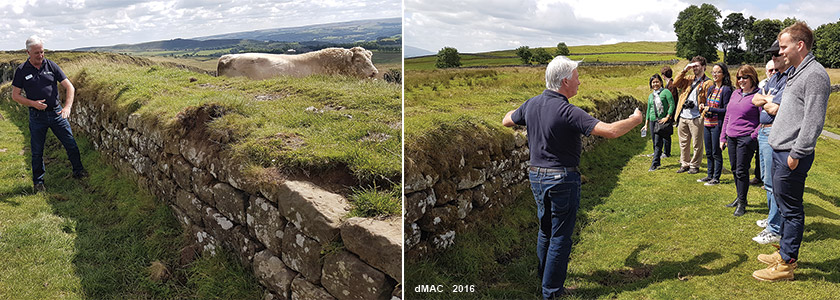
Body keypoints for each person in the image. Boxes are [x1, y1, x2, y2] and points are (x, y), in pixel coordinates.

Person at [502, 56, 643, 299]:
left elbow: (506, 120)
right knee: (560, 237)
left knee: (545, 230)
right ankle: (553, 292)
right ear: (565, 81)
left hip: (536, 177)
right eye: (577, 77)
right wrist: (635, 119)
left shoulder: (532, 104)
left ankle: (544, 279)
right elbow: (609, 131)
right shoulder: (568, 111)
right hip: (562, 180)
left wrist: (522, 110)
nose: (580, 81)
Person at [754, 22, 830, 282]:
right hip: (780, 149)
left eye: (784, 46)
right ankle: (784, 252)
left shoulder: (815, 75)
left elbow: (813, 120)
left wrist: (797, 153)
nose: (780, 51)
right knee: (785, 208)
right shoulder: (796, 72)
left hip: (791, 153)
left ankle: (786, 265)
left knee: (792, 210)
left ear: (800, 45)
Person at [11, 36, 88, 192]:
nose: (40, 56)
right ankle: (38, 183)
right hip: (36, 117)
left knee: (70, 144)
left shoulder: (51, 65)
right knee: (37, 151)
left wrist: (67, 107)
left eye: (42, 52)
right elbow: (15, 95)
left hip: (56, 114)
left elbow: (70, 87)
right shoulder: (21, 70)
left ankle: (78, 171)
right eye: (37, 53)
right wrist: (33, 104)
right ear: (28, 52)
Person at [750, 43, 790, 245]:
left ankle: (775, 227)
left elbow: (776, 108)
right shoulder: (776, 78)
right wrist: (768, 98)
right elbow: (756, 100)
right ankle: (772, 218)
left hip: (774, 129)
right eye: (771, 55)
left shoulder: (789, 78)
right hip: (763, 131)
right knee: (767, 180)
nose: (774, 58)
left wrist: (766, 99)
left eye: (777, 54)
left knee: (774, 182)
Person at [720, 65, 760, 216]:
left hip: (746, 138)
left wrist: (752, 137)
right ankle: (739, 197)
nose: (741, 80)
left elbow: (763, 120)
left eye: (745, 77)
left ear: (752, 78)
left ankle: (742, 203)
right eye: (739, 78)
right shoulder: (735, 93)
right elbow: (728, 116)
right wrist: (723, 137)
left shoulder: (757, 95)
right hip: (731, 137)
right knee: (735, 169)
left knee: (742, 170)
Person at [673, 56, 713, 174]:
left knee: (697, 143)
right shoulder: (689, 79)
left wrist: (703, 113)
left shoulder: (708, 82)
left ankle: (694, 165)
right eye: (693, 66)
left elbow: (709, 100)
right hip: (683, 114)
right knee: (683, 142)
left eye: (697, 66)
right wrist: (685, 69)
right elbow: (675, 83)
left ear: (704, 67)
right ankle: (684, 163)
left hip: (697, 116)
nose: (694, 68)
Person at [697, 63, 732, 186]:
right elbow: (708, 104)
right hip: (707, 123)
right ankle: (709, 175)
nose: (715, 74)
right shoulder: (711, 88)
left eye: (718, 72)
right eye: (713, 72)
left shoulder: (726, 90)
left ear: (724, 74)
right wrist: (703, 107)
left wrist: (711, 109)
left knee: (716, 152)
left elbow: (727, 110)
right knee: (709, 151)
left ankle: (716, 178)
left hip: (718, 124)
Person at [641, 74, 674, 171]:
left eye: (657, 82)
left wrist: (667, 117)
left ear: (661, 82)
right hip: (652, 121)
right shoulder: (651, 96)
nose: (655, 84)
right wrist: (646, 124)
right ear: (651, 84)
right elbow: (648, 110)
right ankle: (658, 161)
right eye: (653, 82)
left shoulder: (666, 92)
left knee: (658, 142)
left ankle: (654, 164)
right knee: (655, 142)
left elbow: (672, 105)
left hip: (661, 120)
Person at [660, 66, 678, 157]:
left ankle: (667, 152)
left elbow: (672, 101)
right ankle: (664, 151)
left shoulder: (671, 85)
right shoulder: (669, 84)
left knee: (666, 132)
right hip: (669, 112)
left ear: (663, 75)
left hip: (669, 113)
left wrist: (669, 114)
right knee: (664, 132)